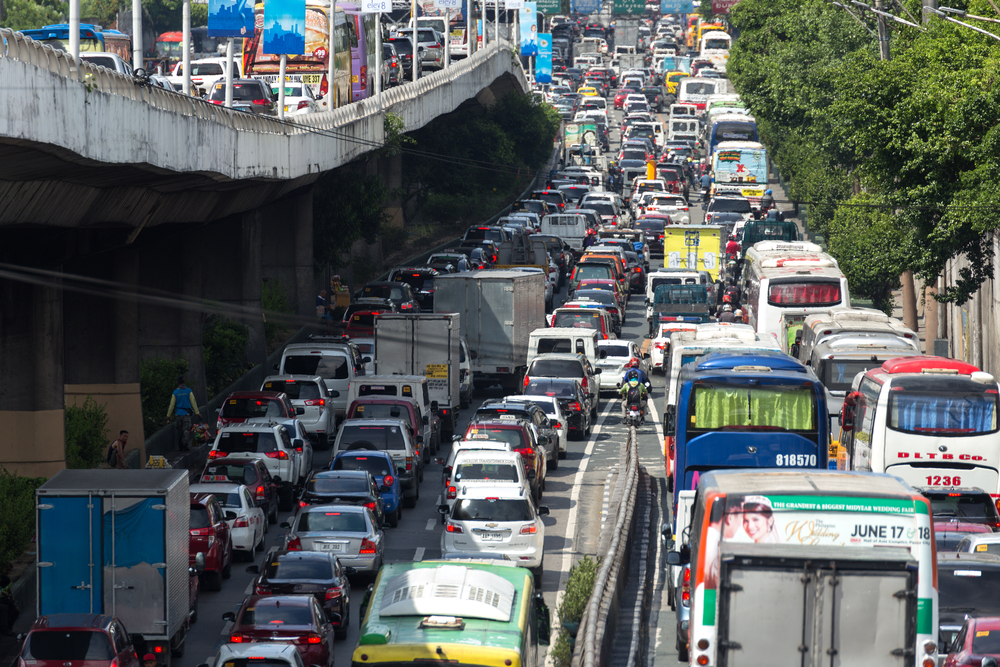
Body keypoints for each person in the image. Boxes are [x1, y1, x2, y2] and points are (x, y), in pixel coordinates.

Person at [166, 376, 201, 451]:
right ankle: (185, 443)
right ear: (184, 382)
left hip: (178, 414)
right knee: (186, 430)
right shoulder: (189, 391)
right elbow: (193, 403)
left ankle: (180, 445)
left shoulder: (175, 392)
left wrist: (168, 415)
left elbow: (172, 405)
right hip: (186, 414)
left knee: (179, 430)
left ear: (177, 382)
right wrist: (197, 413)